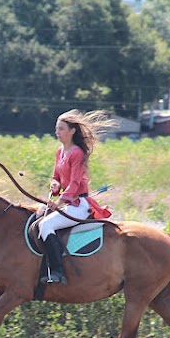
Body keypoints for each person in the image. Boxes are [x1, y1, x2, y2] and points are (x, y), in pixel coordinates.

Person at [38, 109, 116, 284]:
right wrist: (55, 185)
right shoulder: (60, 152)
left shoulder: (77, 153)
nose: (57, 132)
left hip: (79, 205)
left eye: (61, 129)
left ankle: (58, 272)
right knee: (37, 216)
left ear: (72, 131)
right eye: (56, 129)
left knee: (45, 225)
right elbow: (56, 177)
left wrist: (59, 201)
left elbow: (74, 184)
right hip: (68, 204)